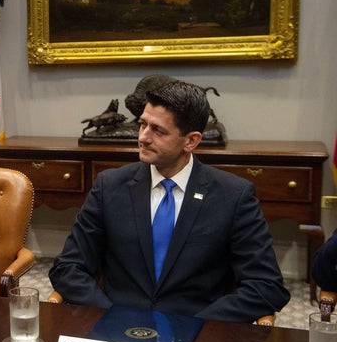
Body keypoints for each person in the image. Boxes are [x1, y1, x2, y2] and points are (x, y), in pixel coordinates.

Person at [49, 80, 290, 322]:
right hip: (116, 333)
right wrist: (111, 317)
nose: (143, 137)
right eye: (143, 124)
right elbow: (67, 268)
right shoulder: (109, 186)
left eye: (158, 130)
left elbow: (266, 286)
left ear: (191, 141)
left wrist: (197, 327)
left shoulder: (234, 196)